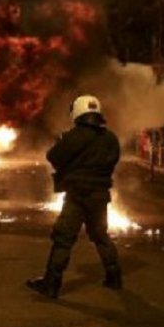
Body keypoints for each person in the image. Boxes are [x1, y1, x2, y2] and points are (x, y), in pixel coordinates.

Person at [26, 95, 122, 299]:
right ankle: (114, 277)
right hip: (100, 195)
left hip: (77, 196)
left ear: (78, 113)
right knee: (100, 235)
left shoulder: (74, 136)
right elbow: (113, 161)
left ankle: (51, 284)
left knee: (63, 239)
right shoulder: (111, 138)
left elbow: (53, 157)